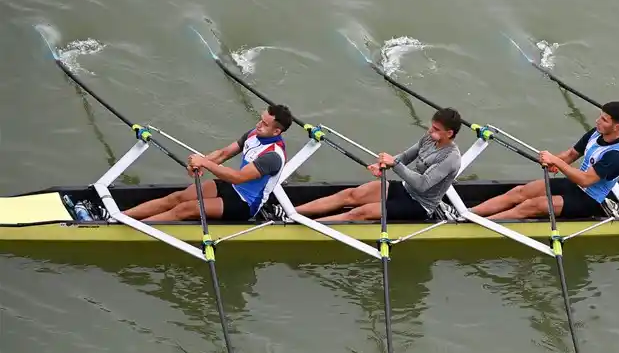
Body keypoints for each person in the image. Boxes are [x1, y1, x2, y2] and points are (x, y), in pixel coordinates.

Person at [123, 104, 293, 222]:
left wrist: (204, 162)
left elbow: (238, 177)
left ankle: (134, 230)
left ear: (276, 131)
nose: (258, 124)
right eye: (260, 119)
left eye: (264, 124)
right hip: (231, 187)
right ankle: (121, 217)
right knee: (177, 197)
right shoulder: (255, 134)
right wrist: (201, 163)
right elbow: (224, 153)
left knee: (185, 209)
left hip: (245, 204)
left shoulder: (272, 156)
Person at [295, 107, 463, 222]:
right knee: (352, 194)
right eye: (431, 126)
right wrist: (384, 165)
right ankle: (293, 214)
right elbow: (404, 157)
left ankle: (301, 228)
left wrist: (394, 164)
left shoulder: (451, 158)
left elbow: (422, 185)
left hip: (420, 205)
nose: (429, 130)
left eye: (435, 129)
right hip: (404, 188)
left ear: (449, 133)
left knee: (359, 213)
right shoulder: (429, 139)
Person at [471, 101, 619, 220]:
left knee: (531, 205)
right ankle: (469, 213)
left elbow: (585, 180)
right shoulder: (596, 133)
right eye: (600, 117)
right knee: (521, 191)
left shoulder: (615, 156)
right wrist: (552, 162)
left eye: (604, 120)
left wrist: (556, 161)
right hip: (573, 185)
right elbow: (570, 155)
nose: (597, 121)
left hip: (588, 200)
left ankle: (481, 224)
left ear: (616, 127)